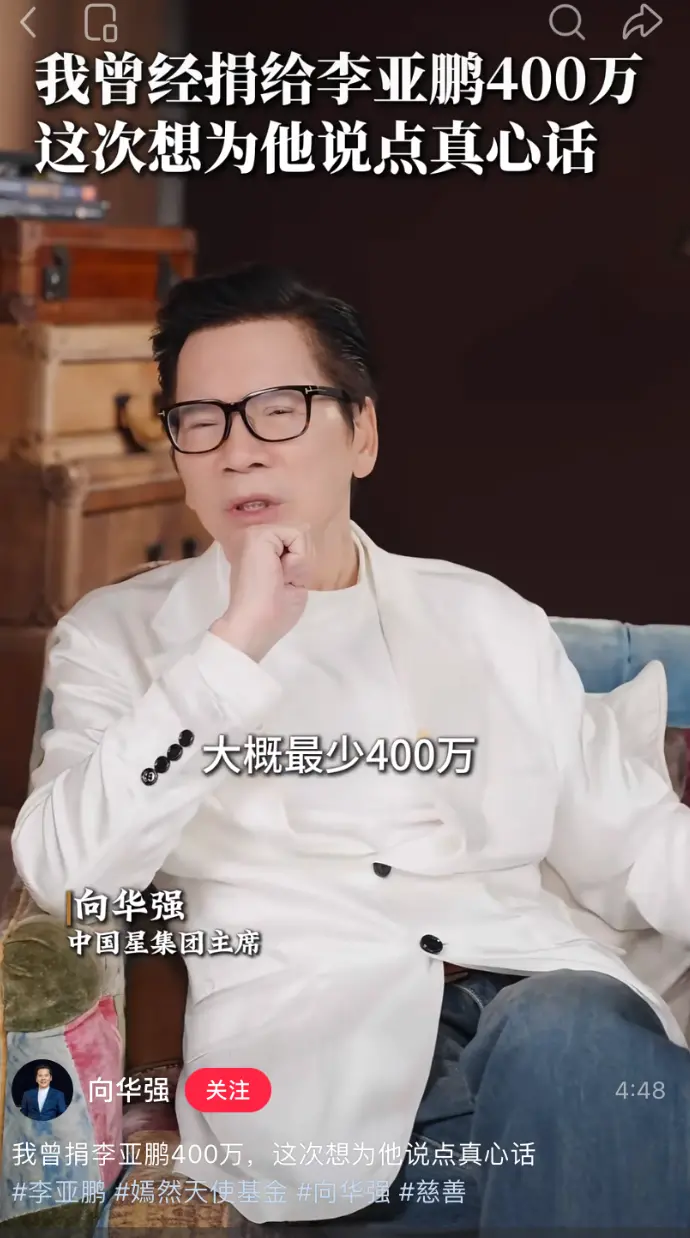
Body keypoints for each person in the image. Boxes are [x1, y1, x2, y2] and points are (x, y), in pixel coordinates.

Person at [11, 264, 690, 1233]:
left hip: (545, 1028)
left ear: (361, 433)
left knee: (576, 1034)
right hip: (325, 1087)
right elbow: (66, 874)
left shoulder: (486, 617)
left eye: (278, 409)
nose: (240, 449)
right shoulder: (116, 641)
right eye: (201, 419)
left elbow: (634, 847)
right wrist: (231, 649)